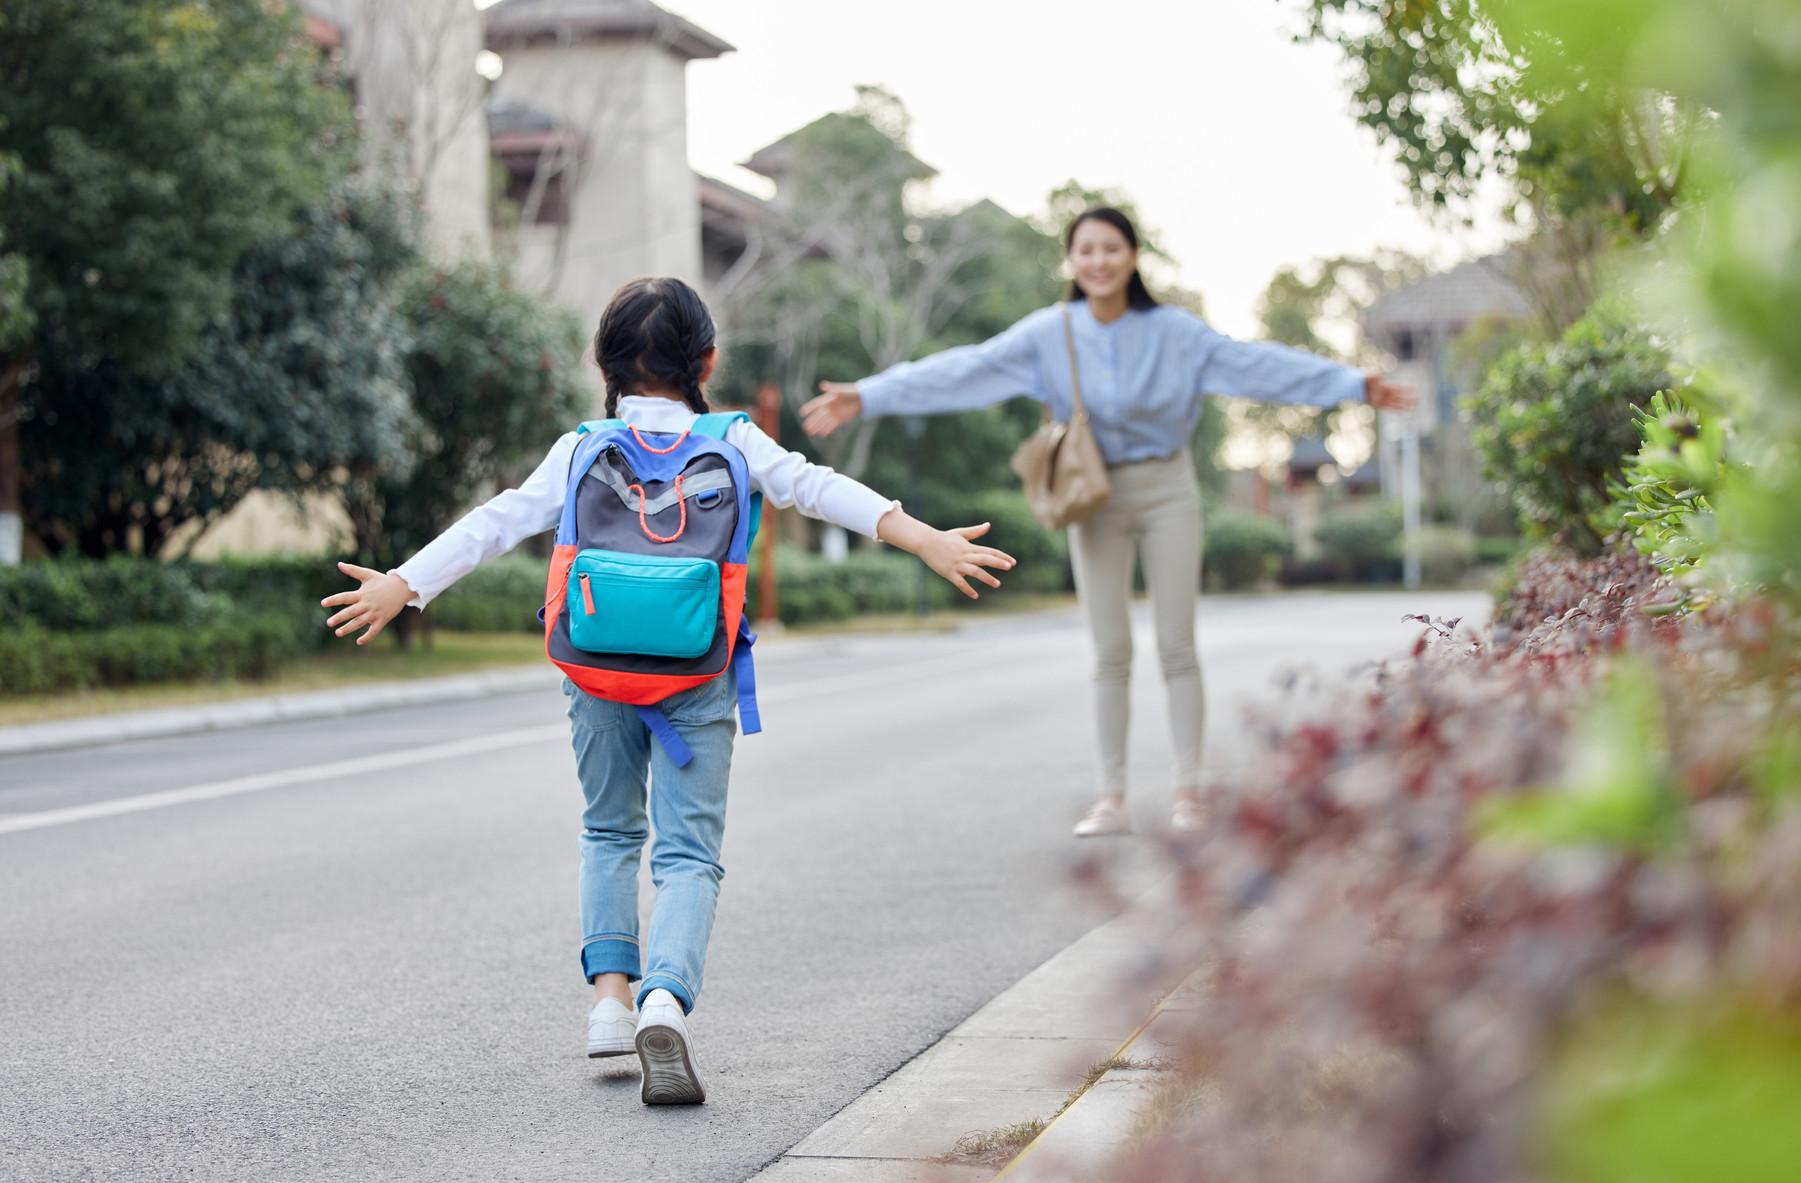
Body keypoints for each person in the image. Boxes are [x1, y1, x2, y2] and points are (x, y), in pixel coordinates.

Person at [321, 277, 1015, 1104]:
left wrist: (404, 583)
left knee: (609, 831)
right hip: (696, 672)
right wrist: (922, 537)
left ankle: (610, 1004)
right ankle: (664, 1000)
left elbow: (497, 520)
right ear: (708, 361)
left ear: (605, 365)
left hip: (597, 669)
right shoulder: (735, 438)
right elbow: (817, 485)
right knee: (687, 853)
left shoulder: (581, 446)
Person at [803, 207, 1413, 838]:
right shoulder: (1049, 333)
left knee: (1178, 645)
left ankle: (1189, 794)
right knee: (1110, 650)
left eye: (1110, 249)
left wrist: (1350, 384)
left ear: (1132, 257)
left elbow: (1258, 366)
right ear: (1072, 261)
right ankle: (1112, 798)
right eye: (1086, 251)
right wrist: (870, 394)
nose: (1098, 261)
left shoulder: (1176, 332)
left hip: (1167, 487)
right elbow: (966, 369)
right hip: (1089, 494)